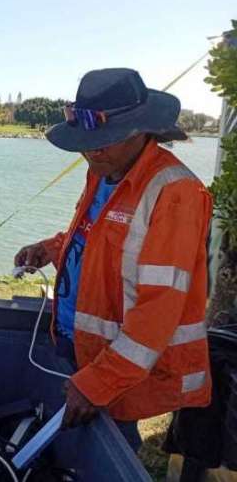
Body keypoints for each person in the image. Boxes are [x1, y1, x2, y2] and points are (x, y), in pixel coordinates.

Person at [14, 68, 212, 451]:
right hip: (79, 344)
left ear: (142, 130)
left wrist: (100, 382)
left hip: (121, 364)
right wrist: (53, 249)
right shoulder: (104, 171)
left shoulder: (176, 192)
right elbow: (101, 238)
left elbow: (160, 307)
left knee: (111, 448)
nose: (93, 151)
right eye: (88, 143)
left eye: (104, 141)